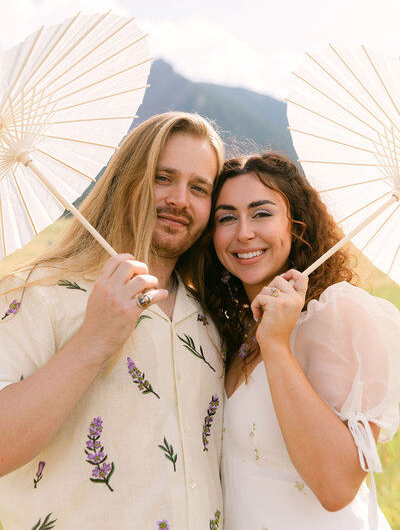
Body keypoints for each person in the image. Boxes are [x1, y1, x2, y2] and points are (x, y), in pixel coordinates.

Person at [0, 112, 226, 530]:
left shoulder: (209, 323)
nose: (180, 199)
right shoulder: (35, 292)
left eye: (199, 188)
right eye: (163, 177)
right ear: (126, 180)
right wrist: (93, 340)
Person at [202, 151, 400, 530]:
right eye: (227, 217)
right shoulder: (235, 325)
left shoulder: (341, 316)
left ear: (297, 225)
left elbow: (337, 487)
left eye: (261, 213)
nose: (243, 232)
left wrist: (277, 346)